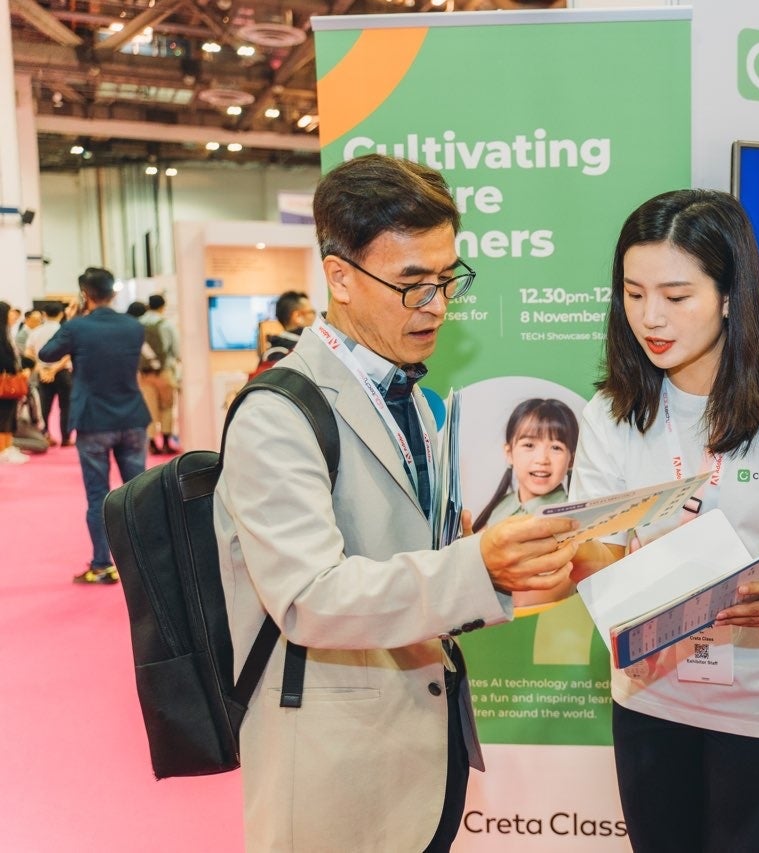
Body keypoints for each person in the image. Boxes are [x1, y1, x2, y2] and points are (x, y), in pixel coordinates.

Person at [212, 153, 579, 852]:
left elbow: (416, 554)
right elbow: (309, 598)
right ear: (340, 276)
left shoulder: (414, 399)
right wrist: (479, 564)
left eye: (447, 279)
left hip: (426, 745)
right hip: (335, 765)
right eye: (413, 285)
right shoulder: (277, 413)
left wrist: (521, 562)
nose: (437, 305)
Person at [568, 189, 759, 852]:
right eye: (634, 293)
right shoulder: (612, 412)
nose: (651, 317)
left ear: (730, 296)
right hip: (651, 693)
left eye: (676, 296)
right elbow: (601, 549)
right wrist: (563, 552)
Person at [38, 268, 152, 583]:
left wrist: (73, 317)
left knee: (98, 496)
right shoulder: (133, 326)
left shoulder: (77, 327)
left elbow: (46, 354)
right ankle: (146, 564)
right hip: (132, 417)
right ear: (113, 293)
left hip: (93, 421)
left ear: (84, 294)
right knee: (137, 494)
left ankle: (102, 565)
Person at [473, 397, 578, 530]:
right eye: (529, 445)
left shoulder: (571, 518)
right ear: (509, 453)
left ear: (571, 460)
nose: (542, 459)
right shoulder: (500, 507)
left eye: (556, 447)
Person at [25, 301, 73, 446]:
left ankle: (45, 436)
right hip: (62, 372)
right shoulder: (65, 331)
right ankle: (65, 438)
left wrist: (42, 369)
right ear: (61, 314)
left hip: (43, 372)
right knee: (65, 406)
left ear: (44, 314)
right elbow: (70, 353)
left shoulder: (35, 332)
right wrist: (55, 369)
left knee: (44, 406)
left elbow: (28, 353)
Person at [139, 293, 180, 453]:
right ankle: (166, 442)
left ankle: (151, 443)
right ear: (163, 306)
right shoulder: (166, 324)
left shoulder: (139, 323)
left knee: (149, 407)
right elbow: (176, 350)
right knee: (167, 406)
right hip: (164, 371)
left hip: (144, 373)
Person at [247, 290, 317, 379]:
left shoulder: (279, 348)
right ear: (298, 316)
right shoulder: (282, 353)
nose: (315, 317)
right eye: (312, 312)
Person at [0, 300, 28, 464]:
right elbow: (5, 360)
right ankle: (2, 449)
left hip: (9, 382)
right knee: (3, 416)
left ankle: (8, 447)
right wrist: (15, 370)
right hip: (5, 383)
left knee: (9, 416)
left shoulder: (6, 334)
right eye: (10, 312)